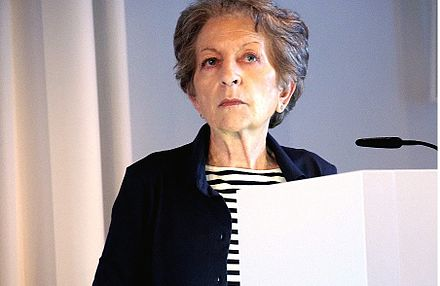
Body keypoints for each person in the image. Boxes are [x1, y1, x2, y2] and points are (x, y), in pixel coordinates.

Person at [93, 0, 336, 285]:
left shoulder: (319, 178)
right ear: (194, 96)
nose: (229, 76)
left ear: (284, 91)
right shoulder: (149, 181)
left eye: (249, 57)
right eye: (211, 61)